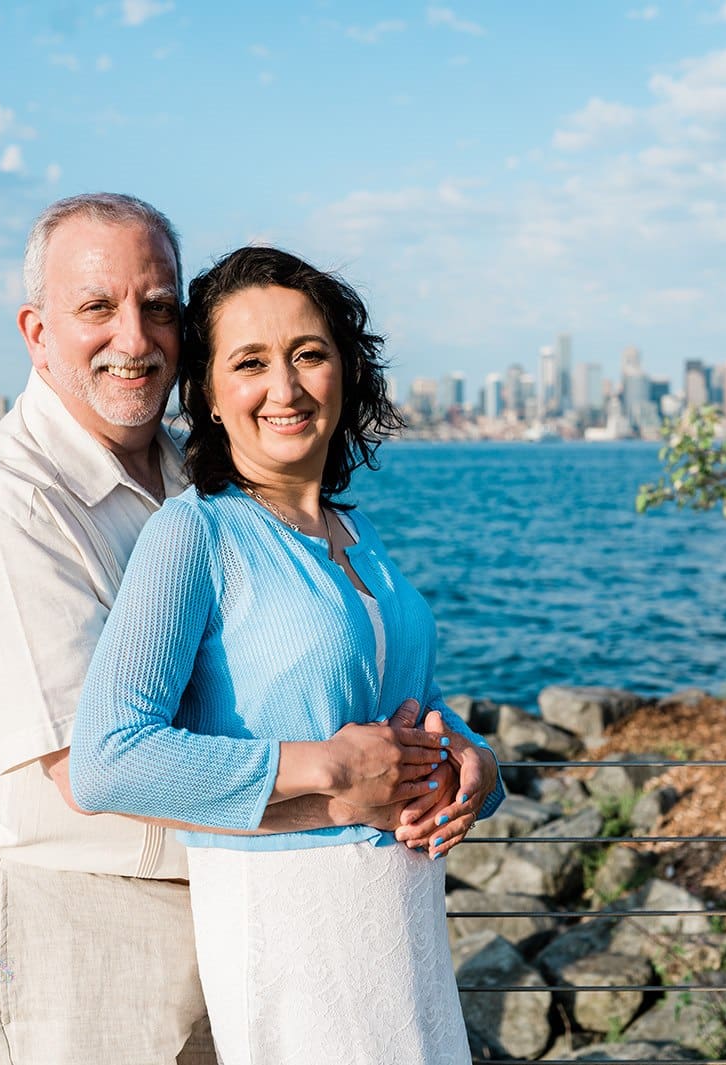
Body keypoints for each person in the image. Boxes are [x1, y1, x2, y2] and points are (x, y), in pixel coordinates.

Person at [0, 195, 446, 1065]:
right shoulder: (4, 509)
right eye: (96, 307)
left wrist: (452, 770)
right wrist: (343, 792)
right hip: (57, 921)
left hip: (224, 904)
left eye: (159, 306)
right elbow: (90, 768)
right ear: (37, 332)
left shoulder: (190, 480)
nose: (135, 335)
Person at [70, 245, 505, 1064]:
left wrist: (473, 764)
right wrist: (326, 769)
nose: (287, 386)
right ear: (208, 393)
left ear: (345, 370)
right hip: (293, 936)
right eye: (251, 362)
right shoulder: (193, 534)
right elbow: (106, 761)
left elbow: (416, 706)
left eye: (309, 354)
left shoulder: (358, 536)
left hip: (406, 935)